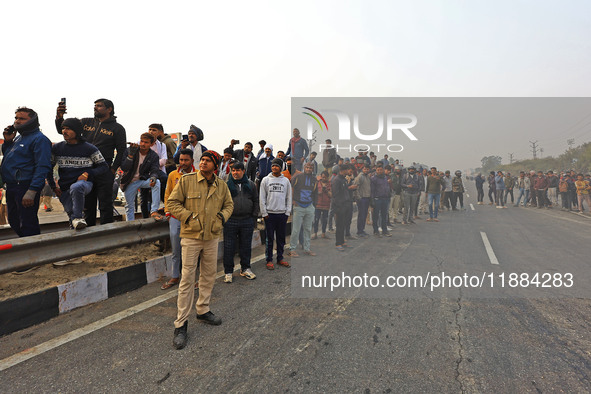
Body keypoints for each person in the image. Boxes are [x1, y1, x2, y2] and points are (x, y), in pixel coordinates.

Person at [167, 150, 233, 349]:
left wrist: (221, 218)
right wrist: (189, 217)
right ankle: (181, 324)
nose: (203, 163)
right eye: (202, 160)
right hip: (191, 236)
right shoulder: (187, 181)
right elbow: (171, 203)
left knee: (209, 275)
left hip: (212, 236)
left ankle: (203, 309)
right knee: (187, 279)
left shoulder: (221, 185)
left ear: (215, 165)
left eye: (207, 161)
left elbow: (229, 205)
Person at [56, 99, 126, 226]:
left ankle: (106, 234)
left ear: (109, 109)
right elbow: (65, 129)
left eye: (99, 106)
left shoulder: (117, 128)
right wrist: (59, 117)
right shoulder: (86, 122)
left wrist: (113, 169)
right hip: (84, 170)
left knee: (105, 205)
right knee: (88, 206)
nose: (96, 108)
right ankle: (89, 234)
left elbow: (121, 151)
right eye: (95, 106)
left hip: (104, 170)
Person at [48, 118, 109, 230]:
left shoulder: (89, 148)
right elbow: (48, 168)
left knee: (77, 187)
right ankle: (77, 236)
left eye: (68, 129)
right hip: (64, 187)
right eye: (63, 128)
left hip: (84, 184)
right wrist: (53, 186)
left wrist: (87, 173)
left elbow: (104, 167)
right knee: (72, 216)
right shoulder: (57, 148)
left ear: (77, 131)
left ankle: (78, 217)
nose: (64, 131)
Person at [1, 107, 52, 237]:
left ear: (32, 120)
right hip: (12, 186)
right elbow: (10, 158)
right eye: (16, 118)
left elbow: (42, 166)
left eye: (22, 118)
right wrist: (7, 142)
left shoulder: (40, 139)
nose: (17, 121)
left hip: (25, 186)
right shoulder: (18, 139)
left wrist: (32, 191)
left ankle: (35, 252)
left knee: (28, 223)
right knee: (14, 221)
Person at [161, 149, 195, 290]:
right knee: (176, 249)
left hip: (192, 218)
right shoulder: (173, 175)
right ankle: (175, 276)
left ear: (192, 160)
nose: (183, 163)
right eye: (181, 160)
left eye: (186, 160)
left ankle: (192, 278)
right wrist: (168, 212)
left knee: (193, 250)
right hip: (175, 217)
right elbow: (167, 194)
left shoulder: (198, 174)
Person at [223, 162, 258, 283]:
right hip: (230, 220)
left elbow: (255, 200)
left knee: (246, 246)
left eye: (238, 170)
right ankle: (228, 272)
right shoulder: (226, 185)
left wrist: (254, 217)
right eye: (233, 170)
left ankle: (245, 268)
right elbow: (221, 203)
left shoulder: (251, 185)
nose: (235, 173)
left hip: (247, 220)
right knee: (229, 247)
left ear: (243, 171)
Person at [119, 133, 164, 221]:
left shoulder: (153, 155)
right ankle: (130, 226)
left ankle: (154, 211)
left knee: (157, 182)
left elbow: (155, 169)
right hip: (130, 181)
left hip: (142, 180)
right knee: (129, 206)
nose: (143, 144)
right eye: (142, 141)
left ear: (151, 144)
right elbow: (124, 168)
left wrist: (153, 177)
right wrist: (130, 156)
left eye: (146, 142)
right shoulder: (130, 150)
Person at [259, 158, 292, 270]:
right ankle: (269, 260)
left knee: (281, 238)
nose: (274, 167)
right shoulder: (265, 180)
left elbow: (289, 197)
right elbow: (262, 197)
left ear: (281, 167)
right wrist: (264, 212)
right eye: (273, 165)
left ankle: (280, 258)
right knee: (269, 238)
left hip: (282, 214)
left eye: (277, 166)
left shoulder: (286, 181)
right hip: (269, 214)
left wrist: (287, 212)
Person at [287, 162, 317, 257]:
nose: (308, 169)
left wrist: (313, 205)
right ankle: (292, 249)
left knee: (308, 229)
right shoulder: (298, 177)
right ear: (304, 168)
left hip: (309, 206)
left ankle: (307, 248)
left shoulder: (314, 179)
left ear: (313, 169)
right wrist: (292, 200)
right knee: (296, 229)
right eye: (307, 167)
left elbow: (315, 193)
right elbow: (290, 187)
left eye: (310, 168)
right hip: (298, 206)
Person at [331, 164, 352, 251]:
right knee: (339, 225)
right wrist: (339, 207)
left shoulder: (343, 179)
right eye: (347, 170)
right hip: (340, 206)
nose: (348, 172)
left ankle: (342, 241)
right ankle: (338, 243)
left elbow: (345, 191)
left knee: (343, 224)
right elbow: (335, 195)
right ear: (343, 170)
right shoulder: (337, 180)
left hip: (346, 205)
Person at [370, 163, 392, 237]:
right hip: (377, 199)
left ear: (383, 170)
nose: (379, 171)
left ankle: (384, 231)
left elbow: (387, 187)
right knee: (375, 216)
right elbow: (372, 191)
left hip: (385, 199)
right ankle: (376, 231)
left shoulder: (385, 178)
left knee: (384, 215)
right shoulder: (373, 179)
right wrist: (372, 201)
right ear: (376, 170)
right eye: (378, 170)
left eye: (381, 170)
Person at [354, 165, 372, 237]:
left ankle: (362, 229)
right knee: (361, 215)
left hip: (367, 198)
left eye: (367, 169)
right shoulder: (360, 177)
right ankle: (359, 231)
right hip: (362, 198)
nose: (366, 170)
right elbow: (356, 188)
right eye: (365, 169)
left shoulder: (368, 177)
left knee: (364, 215)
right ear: (362, 169)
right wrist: (359, 198)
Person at [313, 171, 331, 239]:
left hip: (326, 205)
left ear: (327, 177)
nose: (324, 178)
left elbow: (332, 195)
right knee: (316, 220)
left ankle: (323, 233)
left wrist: (326, 191)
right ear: (321, 176)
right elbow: (313, 192)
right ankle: (315, 234)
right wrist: (318, 193)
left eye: (325, 177)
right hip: (318, 204)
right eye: (323, 177)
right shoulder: (317, 183)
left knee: (325, 220)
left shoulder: (330, 184)